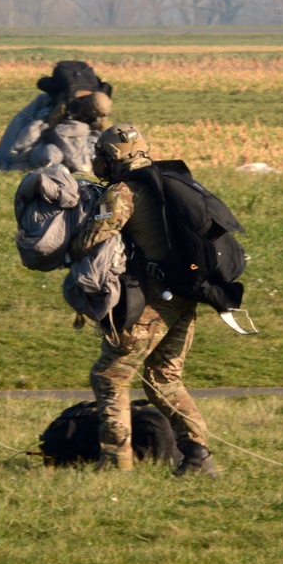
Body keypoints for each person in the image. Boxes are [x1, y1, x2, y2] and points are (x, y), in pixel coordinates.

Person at [69, 124, 217, 476]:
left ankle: (116, 463)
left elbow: (88, 240)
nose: (97, 163)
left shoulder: (122, 191)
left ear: (113, 158)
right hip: (186, 293)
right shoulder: (170, 181)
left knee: (110, 375)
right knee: (163, 378)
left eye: (101, 157)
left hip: (158, 300)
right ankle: (198, 458)